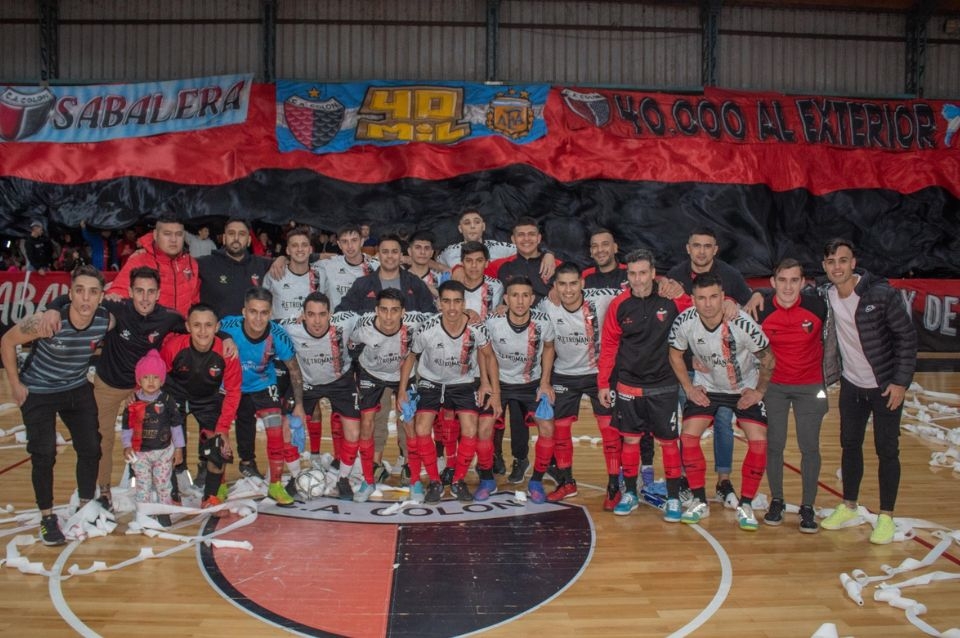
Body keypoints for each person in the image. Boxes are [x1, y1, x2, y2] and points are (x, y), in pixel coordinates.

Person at [40, 266, 185, 510]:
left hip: (142, 389)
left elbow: (196, 325)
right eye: (139, 291)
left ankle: (162, 488)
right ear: (130, 291)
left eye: (150, 292)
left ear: (158, 294)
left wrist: (224, 338)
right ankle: (104, 490)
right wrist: (53, 308)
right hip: (107, 384)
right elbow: (78, 297)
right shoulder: (116, 307)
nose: (145, 298)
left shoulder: (169, 317)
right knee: (101, 440)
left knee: (156, 438)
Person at [1, 265, 114, 545]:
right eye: (79, 291)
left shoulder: (105, 320)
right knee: (44, 453)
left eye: (93, 292)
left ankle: (85, 505)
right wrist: (14, 384)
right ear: (70, 294)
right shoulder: (47, 321)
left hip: (75, 386)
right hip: (38, 389)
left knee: (91, 447)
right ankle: (47, 517)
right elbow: (7, 341)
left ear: (101, 297)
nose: (86, 298)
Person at [817, 239, 917, 544]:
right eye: (831, 261)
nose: (837, 267)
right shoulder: (825, 294)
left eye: (842, 260)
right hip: (851, 384)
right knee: (850, 444)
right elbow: (787, 292)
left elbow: (907, 338)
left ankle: (886, 516)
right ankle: (849, 505)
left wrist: (900, 382)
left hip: (885, 386)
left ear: (853, 262)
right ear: (824, 266)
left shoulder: (881, 294)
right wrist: (756, 295)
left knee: (887, 449)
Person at [668, 272, 775, 531]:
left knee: (759, 441)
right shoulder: (685, 321)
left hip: (743, 388)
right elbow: (675, 355)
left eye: (713, 297)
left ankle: (746, 504)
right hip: (708, 387)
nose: (708, 304)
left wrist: (759, 392)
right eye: (701, 298)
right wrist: (689, 388)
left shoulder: (741, 323)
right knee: (688, 436)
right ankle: (699, 500)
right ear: (693, 299)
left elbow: (768, 358)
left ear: (723, 296)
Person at [663, 227, 754, 508]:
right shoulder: (675, 275)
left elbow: (751, 304)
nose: (701, 251)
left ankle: (724, 480)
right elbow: (669, 319)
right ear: (688, 248)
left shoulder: (731, 276)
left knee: (724, 422)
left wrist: (749, 300)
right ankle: (687, 480)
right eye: (696, 245)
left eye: (707, 246)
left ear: (715, 249)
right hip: (689, 366)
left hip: (722, 370)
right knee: (688, 423)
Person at [598, 250, 689, 518]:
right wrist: (603, 383)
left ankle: (674, 498)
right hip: (628, 385)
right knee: (630, 440)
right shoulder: (619, 305)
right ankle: (629, 493)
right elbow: (609, 346)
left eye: (643, 273)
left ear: (653, 273)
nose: (637, 279)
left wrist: (681, 292)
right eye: (632, 274)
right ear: (627, 275)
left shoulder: (672, 299)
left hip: (664, 384)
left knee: (669, 442)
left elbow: (698, 315)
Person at [397, 280, 499, 504]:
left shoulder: (476, 328)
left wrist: (493, 390)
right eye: (447, 301)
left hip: (463, 382)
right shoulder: (427, 328)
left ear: (464, 303)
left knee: (470, 430)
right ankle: (434, 481)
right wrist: (402, 390)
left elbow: (490, 356)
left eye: (457, 301)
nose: (452, 307)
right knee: (422, 428)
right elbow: (410, 357)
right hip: (431, 381)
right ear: (439, 304)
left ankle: (458, 481)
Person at [753, 258, 830, 533]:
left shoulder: (818, 307)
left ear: (803, 282)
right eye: (782, 280)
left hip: (810, 387)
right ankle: (777, 501)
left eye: (794, 280)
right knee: (775, 445)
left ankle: (808, 506)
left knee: (809, 446)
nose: (788, 287)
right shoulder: (760, 309)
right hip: (774, 387)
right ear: (772, 282)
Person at [218, 288, 306, 506]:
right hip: (230, 385)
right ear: (244, 312)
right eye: (253, 312)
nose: (258, 318)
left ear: (270, 313)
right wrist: (223, 338)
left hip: (263, 384)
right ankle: (218, 484)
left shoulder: (278, 335)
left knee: (276, 431)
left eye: (264, 313)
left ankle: (275, 485)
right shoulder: (228, 326)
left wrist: (299, 405)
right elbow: (206, 330)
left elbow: (294, 370)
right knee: (218, 433)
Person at [539, 262, 619, 501]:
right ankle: (567, 483)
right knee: (561, 432)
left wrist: (667, 285)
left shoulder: (601, 298)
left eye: (573, 283)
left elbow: (635, 289)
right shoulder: (546, 305)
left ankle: (614, 487)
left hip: (598, 375)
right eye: (562, 284)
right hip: (564, 374)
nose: (568, 290)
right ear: (555, 286)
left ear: (582, 283)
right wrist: (501, 307)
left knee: (609, 431)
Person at [347, 289, 432, 499]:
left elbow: (443, 317)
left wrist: (469, 314)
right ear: (376, 310)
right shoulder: (363, 327)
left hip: (404, 374)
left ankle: (415, 482)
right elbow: (351, 348)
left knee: (410, 425)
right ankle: (368, 482)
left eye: (394, 310)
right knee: (367, 425)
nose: (388, 316)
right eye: (383, 310)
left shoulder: (416, 324)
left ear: (403, 312)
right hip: (371, 374)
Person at [160, 303, 242, 512]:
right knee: (165, 442)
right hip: (175, 396)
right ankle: (172, 494)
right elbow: (158, 378)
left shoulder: (227, 353)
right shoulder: (173, 347)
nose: (203, 331)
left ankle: (211, 496)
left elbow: (233, 391)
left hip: (208, 399)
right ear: (188, 326)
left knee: (218, 446)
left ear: (217, 327)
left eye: (208, 325)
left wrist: (223, 428)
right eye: (197, 325)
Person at [484, 277, 558, 502]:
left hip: (530, 384)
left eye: (525, 296)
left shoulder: (543, 322)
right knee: (484, 428)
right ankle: (487, 479)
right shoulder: (493, 322)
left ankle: (536, 480)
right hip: (500, 382)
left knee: (547, 427)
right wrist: (491, 388)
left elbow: (549, 347)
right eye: (514, 295)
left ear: (532, 299)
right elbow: (484, 353)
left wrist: (545, 382)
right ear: (506, 299)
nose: (520, 301)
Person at [283, 292, 361, 497]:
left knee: (353, 432)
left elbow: (372, 316)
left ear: (330, 314)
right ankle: (295, 477)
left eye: (322, 314)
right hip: (307, 383)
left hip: (340, 382)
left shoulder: (346, 322)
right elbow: (263, 326)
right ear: (303, 315)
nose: (317, 321)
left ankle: (343, 479)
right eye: (311, 314)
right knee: (288, 429)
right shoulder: (290, 327)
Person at [121, 351, 184, 527]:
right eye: (146, 377)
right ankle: (144, 513)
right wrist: (126, 446)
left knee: (163, 483)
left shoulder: (168, 400)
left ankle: (164, 512)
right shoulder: (132, 402)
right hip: (140, 453)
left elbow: (176, 425)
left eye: (155, 377)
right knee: (143, 485)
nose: (150, 381)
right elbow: (126, 427)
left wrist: (179, 449)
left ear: (162, 380)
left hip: (163, 452)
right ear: (139, 380)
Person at [112, 215, 200, 318]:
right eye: (167, 234)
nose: (173, 240)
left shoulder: (191, 263)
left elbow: (195, 301)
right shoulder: (139, 261)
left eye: (179, 234)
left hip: (182, 326)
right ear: (155, 235)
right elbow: (117, 296)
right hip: (149, 327)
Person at [337, 234, 436, 314]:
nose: (390, 256)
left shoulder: (415, 283)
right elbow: (342, 314)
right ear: (378, 255)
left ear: (401, 255)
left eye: (394, 252)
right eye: (385, 252)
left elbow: (430, 314)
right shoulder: (362, 284)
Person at [197, 218, 272, 318]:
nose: (236, 238)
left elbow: (290, 264)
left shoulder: (262, 264)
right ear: (224, 238)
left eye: (242, 234)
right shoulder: (204, 264)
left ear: (249, 240)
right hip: (217, 328)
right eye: (231, 233)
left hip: (252, 327)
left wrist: (282, 259)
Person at [487, 217, 561, 304]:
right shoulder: (499, 265)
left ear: (539, 238)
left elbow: (575, 283)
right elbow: (475, 278)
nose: (526, 238)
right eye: (521, 235)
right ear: (513, 239)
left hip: (548, 311)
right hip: (511, 312)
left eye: (531, 234)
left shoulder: (555, 265)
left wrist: (561, 290)